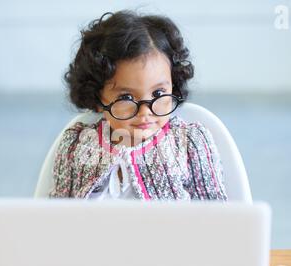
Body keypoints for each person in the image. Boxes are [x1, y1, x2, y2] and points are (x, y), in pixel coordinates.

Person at [49, 10, 228, 201]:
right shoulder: (76, 145)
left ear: (173, 85)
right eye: (126, 96)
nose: (145, 112)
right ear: (97, 96)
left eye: (158, 93)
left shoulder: (189, 143)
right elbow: (57, 217)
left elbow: (216, 217)